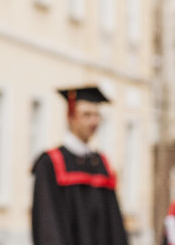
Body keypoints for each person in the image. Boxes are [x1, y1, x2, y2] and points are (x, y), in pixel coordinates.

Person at [30, 86, 128, 245]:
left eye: (97, 115)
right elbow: (46, 222)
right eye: (86, 115)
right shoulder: (51, 163)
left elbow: (114, 223)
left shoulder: (102, 163)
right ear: (70, 117)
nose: (93, 121)